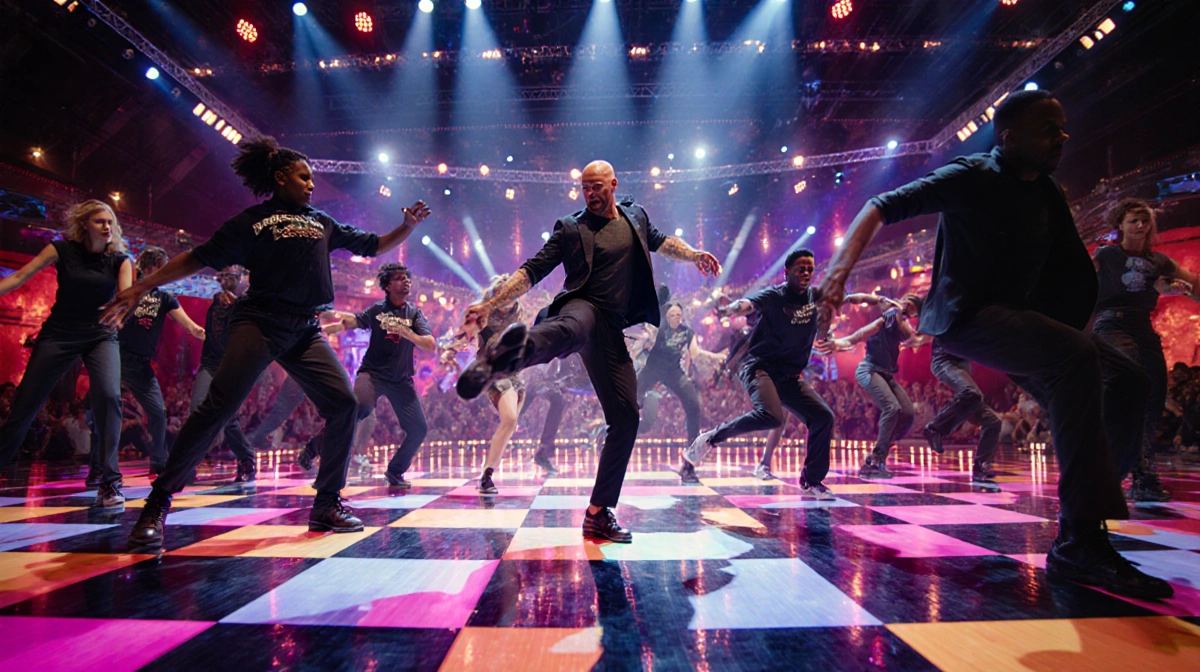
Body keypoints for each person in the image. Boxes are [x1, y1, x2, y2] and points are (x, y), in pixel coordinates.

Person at [815, 89, 1170, 599]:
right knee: (1080, 356)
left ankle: (1086, 520)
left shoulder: (1045, 190)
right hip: (968, 318)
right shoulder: (971, 175)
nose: (1062, 137)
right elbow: (880, 204)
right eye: (1049, 129)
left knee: (1128, 379)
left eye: (1063, 127)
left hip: (1022, 321)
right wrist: (836, 277)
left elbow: (1068, 270)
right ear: (1009, 137)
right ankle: (1082, 538)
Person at [101, 136, 430, 550]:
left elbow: (373, 245)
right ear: (280, 178)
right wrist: (143, 285)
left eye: (312, 179)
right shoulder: (252, 221)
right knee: (218, 408)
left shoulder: (322, 222)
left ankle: (327, 502)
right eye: (304, 177)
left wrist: (407, 227)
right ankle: (157, 504)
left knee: (345, 405)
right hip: (260, 321)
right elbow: (198, 258)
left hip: (305, 329)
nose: (311, 184)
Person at [452, 160, 721, 543]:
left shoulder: (636, 216)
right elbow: (531, 270)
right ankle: (505, 356)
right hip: (583, 307)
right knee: (567, 328)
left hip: (615, 329)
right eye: (584, 188)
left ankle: (597, 513)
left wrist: (694, 254)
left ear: (613, 183)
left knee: (626, 417)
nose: (590, 194)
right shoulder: (570, 227)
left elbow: (663, 242)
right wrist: (490, 304)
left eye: (597, 187)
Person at [0, 200, 132, 507]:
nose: (107, 227)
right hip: (60, 332)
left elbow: (126, 296)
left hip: (100, 334)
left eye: (110, 222)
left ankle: (110, 483)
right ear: (84, 223)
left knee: (110, 397)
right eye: (100, 221)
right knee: (25, 404)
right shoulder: (61, 250)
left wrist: (122, 310)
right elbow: (20, 277)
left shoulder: (120, 260)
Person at [682, 249, 836, 498]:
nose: (807, 272)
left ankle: (811, 480)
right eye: (801, 268)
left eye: (810, 268)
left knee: (823, 417)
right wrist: (730, 308)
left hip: (789, 376)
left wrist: (880, 302)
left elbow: (848, 297)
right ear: (787, 273)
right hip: (758, 367)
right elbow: (747, 304)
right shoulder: (775, 295)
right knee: (771, 416)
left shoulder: (815, 297)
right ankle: (710, 438)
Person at [1092, 198, 1199, 501]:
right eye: (1133, 221)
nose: (1140, 226)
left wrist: (1184, 288)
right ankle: (1107, 469)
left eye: (1144, 220)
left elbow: (1191, 283)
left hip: (1143, 328)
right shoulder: (1107, 254)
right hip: (1111, 325)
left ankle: (1144, 475)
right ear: (1120, 225)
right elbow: (1078, 278)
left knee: (1154, 396)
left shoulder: (1159, 261)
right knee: (1130, 385)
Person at [311, 263, 434, 488]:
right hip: (373, 375)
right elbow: (353, 320)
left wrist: (407, 332)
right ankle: (315, 445)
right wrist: (329, 316)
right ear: (387, 286)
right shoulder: (378, 310)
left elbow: (430, 344)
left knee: (418, 429)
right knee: (358, 409)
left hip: (401, 380)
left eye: (407, 277)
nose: (406, 281)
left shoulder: (414, 313)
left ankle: (395, 472)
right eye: (399, 278)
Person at [117, 246, 206, 477]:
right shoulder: (130, 289)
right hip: (115, 357)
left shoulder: (165, 298)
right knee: (104, 411)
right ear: (149, 267)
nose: (168, 272)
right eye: (163, 266)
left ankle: (158, 461)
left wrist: (203, 333)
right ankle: (99, 466)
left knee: (157, 413)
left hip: (140, 365)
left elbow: (189, 325)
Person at [444, 274, 532, 494]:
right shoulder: (482, 312)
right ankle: (487, 476)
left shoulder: (520, 312)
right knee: (510, 418)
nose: (510, 295)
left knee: (510, 425)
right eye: (505, 291)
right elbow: (464, 335)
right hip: (492, 372)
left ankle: (487, 474)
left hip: (516, 373)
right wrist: (450, 350)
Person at [828, 294, 926, 479]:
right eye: (905, 302)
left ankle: (877, 454)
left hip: (886, 375)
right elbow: (853, 338)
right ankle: (877, 460)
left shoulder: (904, 329)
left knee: (908, 413)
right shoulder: (882, 321)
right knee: (892, 408)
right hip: (868, 371)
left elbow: (913, 337)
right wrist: (847, 298)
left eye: (911, 307)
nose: (906, 306)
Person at [192, 267, 258, 482]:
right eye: (224, 276)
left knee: (227, 418)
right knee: (197, 410)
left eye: (233, 276)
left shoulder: (248, 304)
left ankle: (246, 457)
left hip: (233, 366)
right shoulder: (214, 299)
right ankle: (187, 464)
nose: (226, 279)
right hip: (210, 363)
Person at [636, 301, 725, 450]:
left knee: (693, 404)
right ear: (666, 316)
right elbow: (640, 344)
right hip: (652, 370)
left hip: (673, 372)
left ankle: (692, 446)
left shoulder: (687, 332)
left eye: (679, 315)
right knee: (634, 405)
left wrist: (715, 356)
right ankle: (612, 431)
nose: (676, 318)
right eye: (672, 315)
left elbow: (695, 353)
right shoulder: (659, 330)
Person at [923, 340, 1003, 485]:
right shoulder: (949, 318)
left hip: (962, 367)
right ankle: (935, 428)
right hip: (945, 362)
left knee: (993, 421)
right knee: (971, 393)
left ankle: (981, 466)